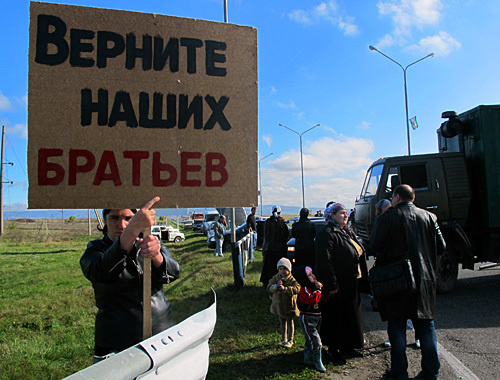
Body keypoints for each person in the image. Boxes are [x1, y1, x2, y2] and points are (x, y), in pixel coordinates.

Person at [80, 197, 181, 363]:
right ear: (105, 220)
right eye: (114, 218)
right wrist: (132, 230)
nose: (121, 225)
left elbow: (173, 273)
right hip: (115, 344)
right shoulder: (95, 250)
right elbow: (100, 272)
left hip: (160, 335)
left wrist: (156, 256)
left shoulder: (149, 243)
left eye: (129, 218)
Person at [369, 185, 446, 380]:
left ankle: (399, 372)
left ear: (396, 197)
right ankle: (431, 372)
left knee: (397, 326)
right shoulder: (429, 217)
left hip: (396, 278)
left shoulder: (386, 217)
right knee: (426, 326)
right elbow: (441, 246)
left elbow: (374, 245)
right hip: (424, 278)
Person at [315, 202, 370, 365]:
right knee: (336, 317)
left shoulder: (347, 232)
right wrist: (332, 285)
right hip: (338, 284)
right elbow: (325, 261)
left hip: (352, 281)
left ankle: (348, 346)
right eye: (341, 213)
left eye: (346, 213)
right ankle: (334, 349)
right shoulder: (327, 233)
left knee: (351, 316)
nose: (345, 216)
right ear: (331, 216)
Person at [293, 265, 327, 372]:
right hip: (307, 317)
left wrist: (323, 291)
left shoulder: (314, 287)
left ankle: (308, 358)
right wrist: (318, 290)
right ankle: (318, 360)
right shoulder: (304, 289)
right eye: (310, 275)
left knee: (310, 339)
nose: (313, 276)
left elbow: (321, 299)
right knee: (315, 340)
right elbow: (312, 300)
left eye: (312, 273)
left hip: (317, 316)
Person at [268, 257, 300, 349]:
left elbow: (297, 288)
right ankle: (283, 338)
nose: (282, 271)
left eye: (285, 269)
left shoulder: (291, 279)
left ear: (289, 269)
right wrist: (275, 287)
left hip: (289, 305)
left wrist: (286, 289)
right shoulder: (276, 278)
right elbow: (269, 286)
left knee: (290, 323)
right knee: (282, 322)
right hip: (278, 305)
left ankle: (290, 340)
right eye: (280, 269)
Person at [260, 205, 289, 287]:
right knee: (281, 267)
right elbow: (286, 234)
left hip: (269, 248)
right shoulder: (282, 222)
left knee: (269, 267)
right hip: (280, 249)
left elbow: (265, 234)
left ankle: (268, 282)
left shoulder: (267, 222)